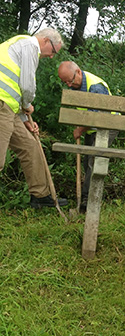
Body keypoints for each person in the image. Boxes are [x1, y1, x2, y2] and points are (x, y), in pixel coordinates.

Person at [0, 28, 68, 208]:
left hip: (9, 107)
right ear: (46, 41)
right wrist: (28, 104)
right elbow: (27, 85)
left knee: (30, 146)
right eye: (53, 51)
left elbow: (14, 90)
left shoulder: (19, 46)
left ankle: (40, 196)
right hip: (1, 105)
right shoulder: (29, 45)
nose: (52, 56)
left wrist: (24, 119)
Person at [58, 61, 119, 212]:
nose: (69, 85)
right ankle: (87, 196)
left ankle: (88, 200)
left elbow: (97, 116)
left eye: (70, 81)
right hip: (92, 127)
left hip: (108, 125)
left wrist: (80, 129)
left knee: (94, 160)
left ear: (78, 72)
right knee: (87, 161)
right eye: (65, 82)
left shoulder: (95, 87)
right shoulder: (77, 85)